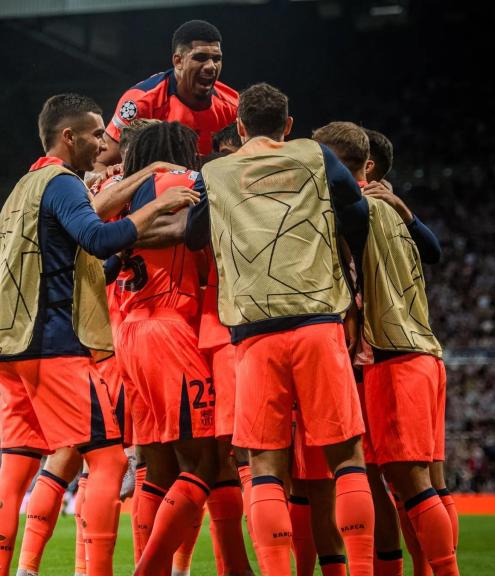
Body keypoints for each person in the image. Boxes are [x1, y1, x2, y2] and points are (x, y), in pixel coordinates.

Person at [0, 93, 200, 576]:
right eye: (96, 134)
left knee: (17, 466)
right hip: (55, 344)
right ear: (68, 136)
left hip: (10, 348)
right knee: (107, 462)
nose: (103, 143)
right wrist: (157, 206)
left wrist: (141, 180)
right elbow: (98, 237)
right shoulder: (62, 183)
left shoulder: (24, 187)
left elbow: (85, 265)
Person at [190, 83, 375, 576]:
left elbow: (193, 234)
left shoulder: (216, 172)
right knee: (346, 457)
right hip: (318, 324)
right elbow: (357, 211)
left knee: (265, 464)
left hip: (255, 335)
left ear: (240, 127)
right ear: (288, 126)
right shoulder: (315, 155)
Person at [327, 124, 457, 576]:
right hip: (418, 350)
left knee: (410, 482)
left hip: (390, 355)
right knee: (416, 482)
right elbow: (434, 251)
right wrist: (408, 211)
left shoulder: (359, 210)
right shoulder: (394, 213)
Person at [98, 20, 239, 167]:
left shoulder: (233, 106)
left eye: (217, 59)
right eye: (200, 58)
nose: (211, 66)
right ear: (178, 61)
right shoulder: (141, 102)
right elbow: (100, 163)